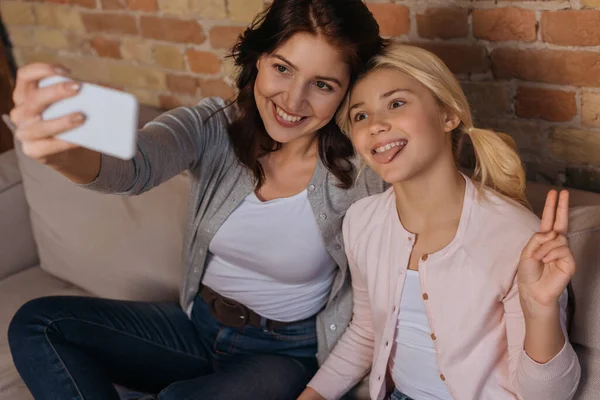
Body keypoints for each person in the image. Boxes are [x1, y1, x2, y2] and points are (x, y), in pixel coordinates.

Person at [7, 1, 387, 399]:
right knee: (38, 323)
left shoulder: (360, 175)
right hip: (195, 326)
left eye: (322, 84)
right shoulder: (213, 127)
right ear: (258, 60)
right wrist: (61, 153)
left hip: (282, 355)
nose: (293, 101)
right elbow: (136, 163)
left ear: (348, 93)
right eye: (282, 68)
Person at [299, 43, 581, 400]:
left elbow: (549, 396)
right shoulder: (361, 220)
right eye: (360, 116)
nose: (376, 126)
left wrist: (540, 311)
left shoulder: (519, 237)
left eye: (396, 103)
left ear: (448, 115)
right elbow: (366, 333)